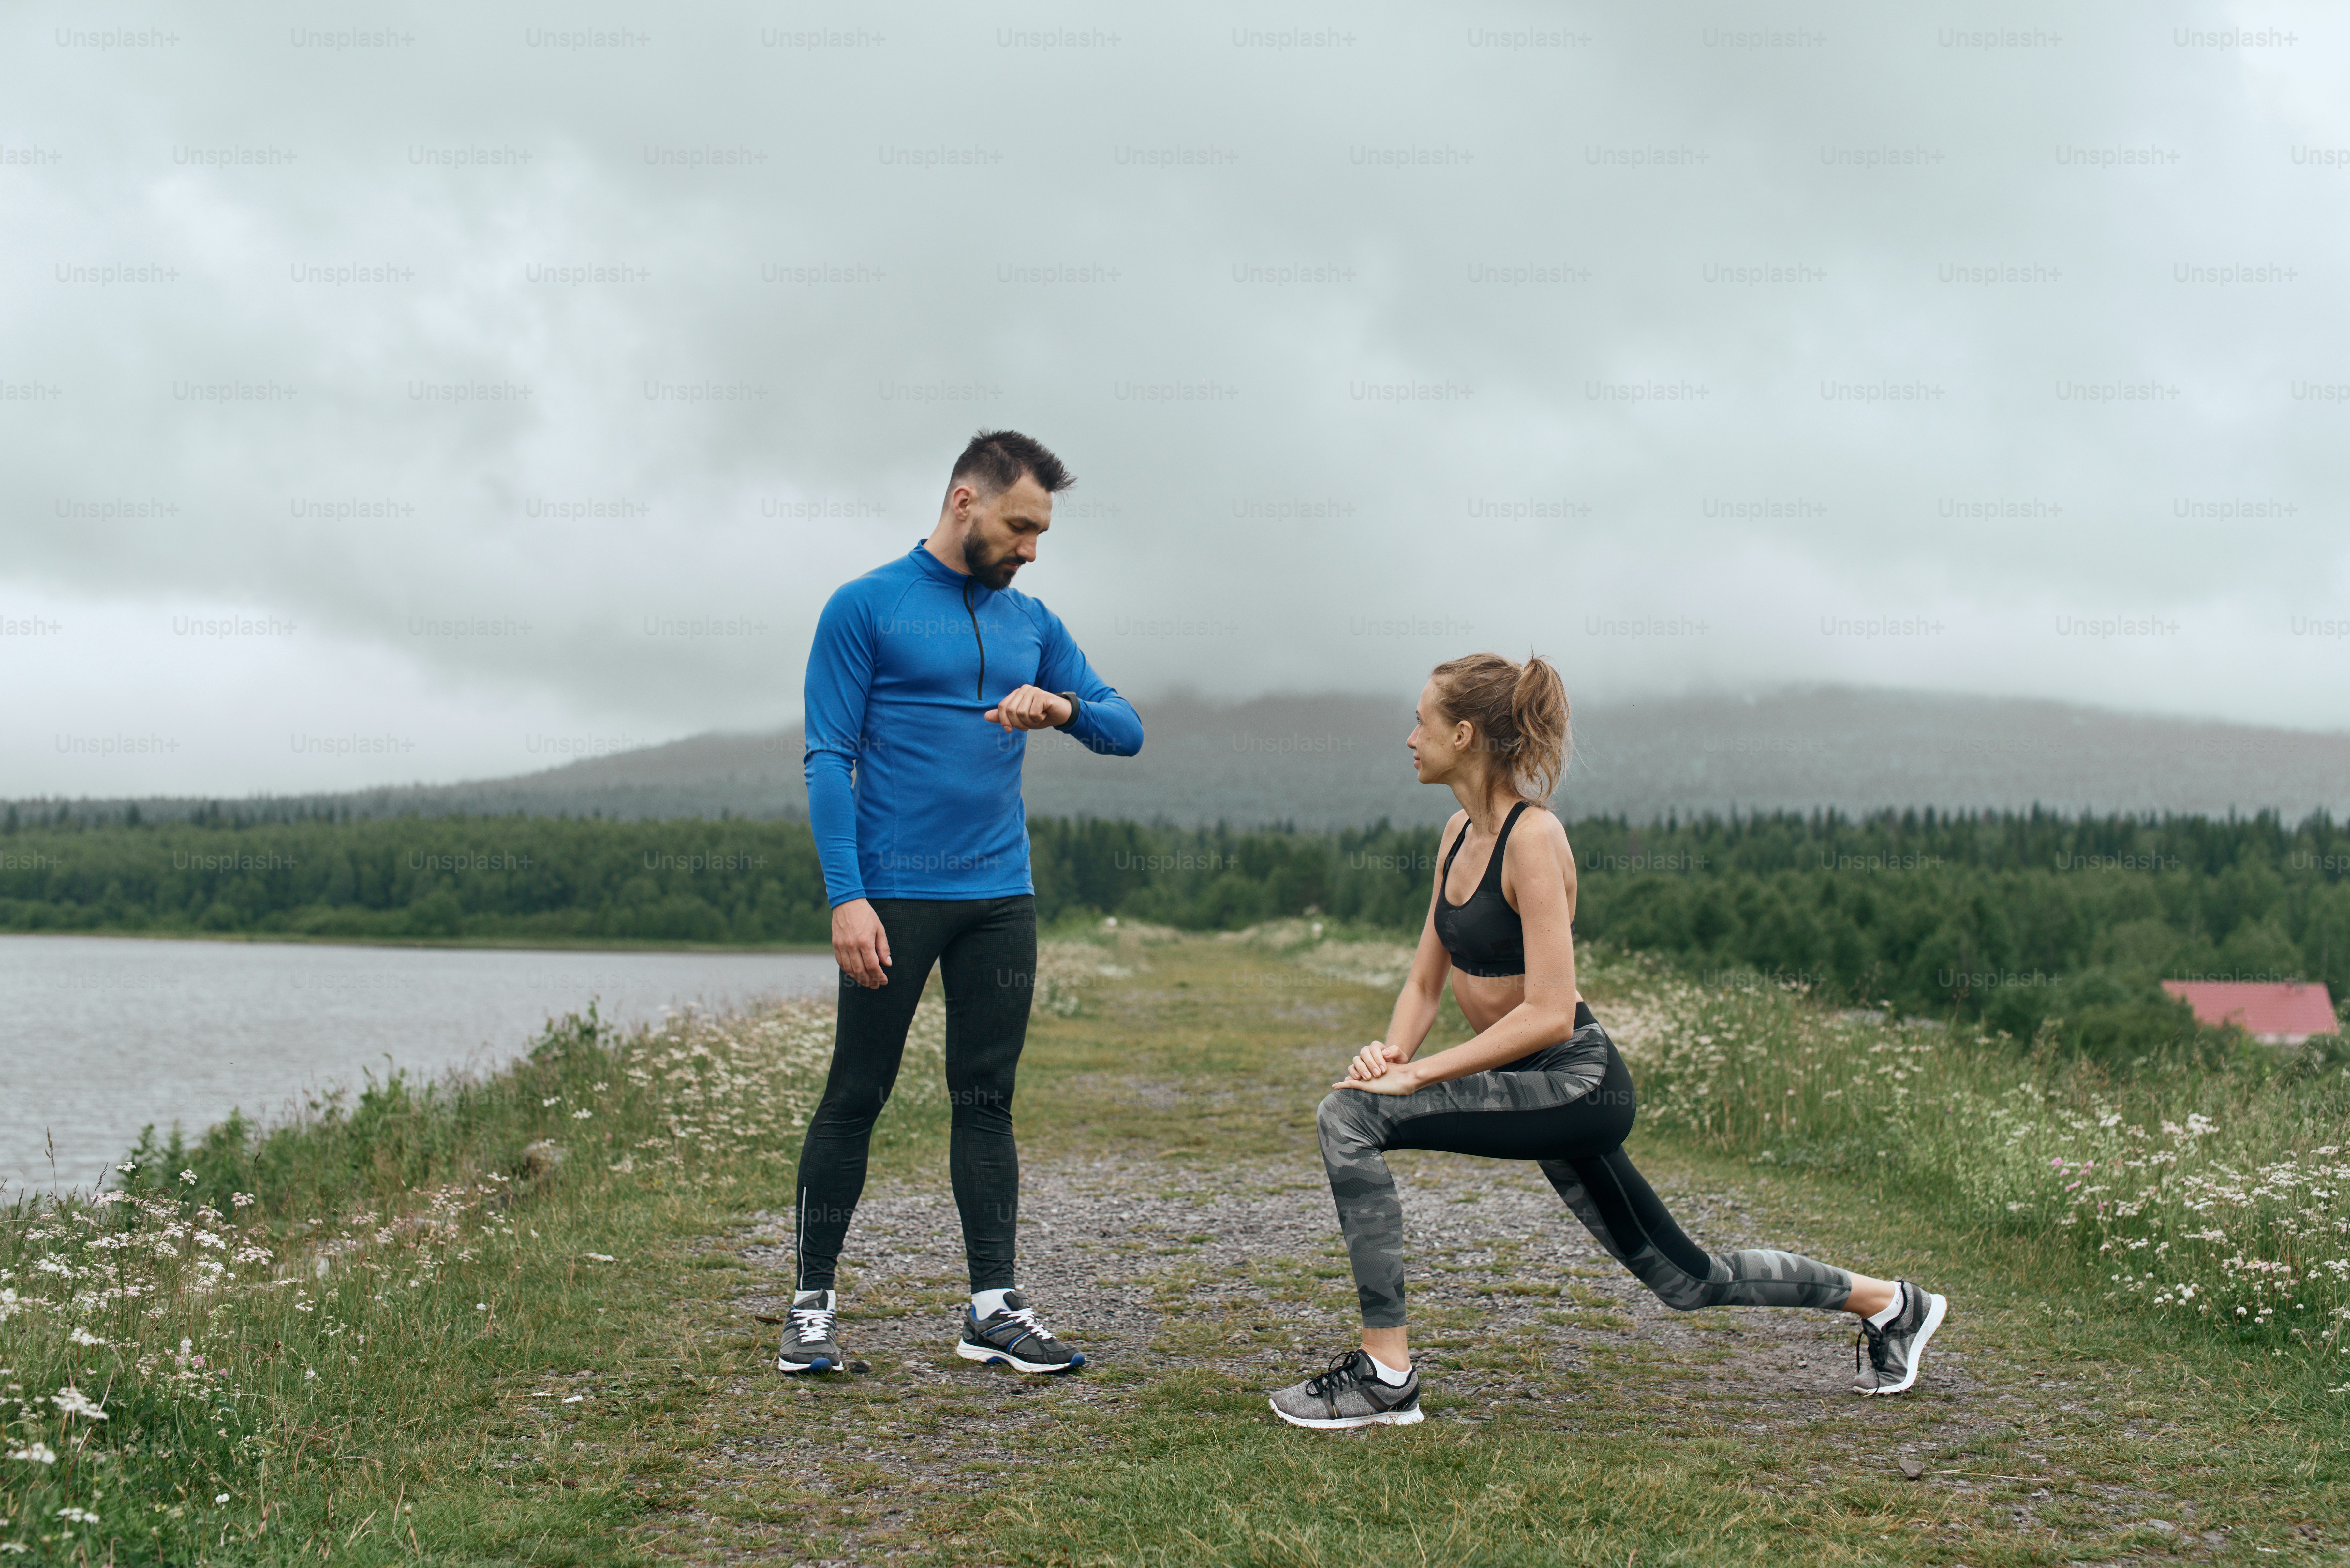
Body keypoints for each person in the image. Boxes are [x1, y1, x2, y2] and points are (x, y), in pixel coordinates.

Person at [1268, 653, 1947, 1429]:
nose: (1408, 737)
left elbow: (1551, 1014)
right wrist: (1389, 1055)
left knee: (1347, 1117)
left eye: (1419, 722)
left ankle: (1385, 1376)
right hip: (1526, 1086)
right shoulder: (1456, 834)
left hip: (1574, 1081)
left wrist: (1415, 1080)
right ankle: (1894, 1305)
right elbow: (1425, 982)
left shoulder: (1534, 839)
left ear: (1462, 734)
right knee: (1685, 1278)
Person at [782, 430, 1144, 1377]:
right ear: (963, 501)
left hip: (1000, 899)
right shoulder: (865, 605)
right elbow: (828, 758)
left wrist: (1061, 709)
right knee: (856, 1094)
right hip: (894, 893)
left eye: (1042, 532)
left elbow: (1127, 728)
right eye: (1020, 525)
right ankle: (810, 1309)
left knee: (987, 1100)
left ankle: (992, 1306)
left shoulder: (1035, 623)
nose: (1031, 547)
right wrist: (847, 896)